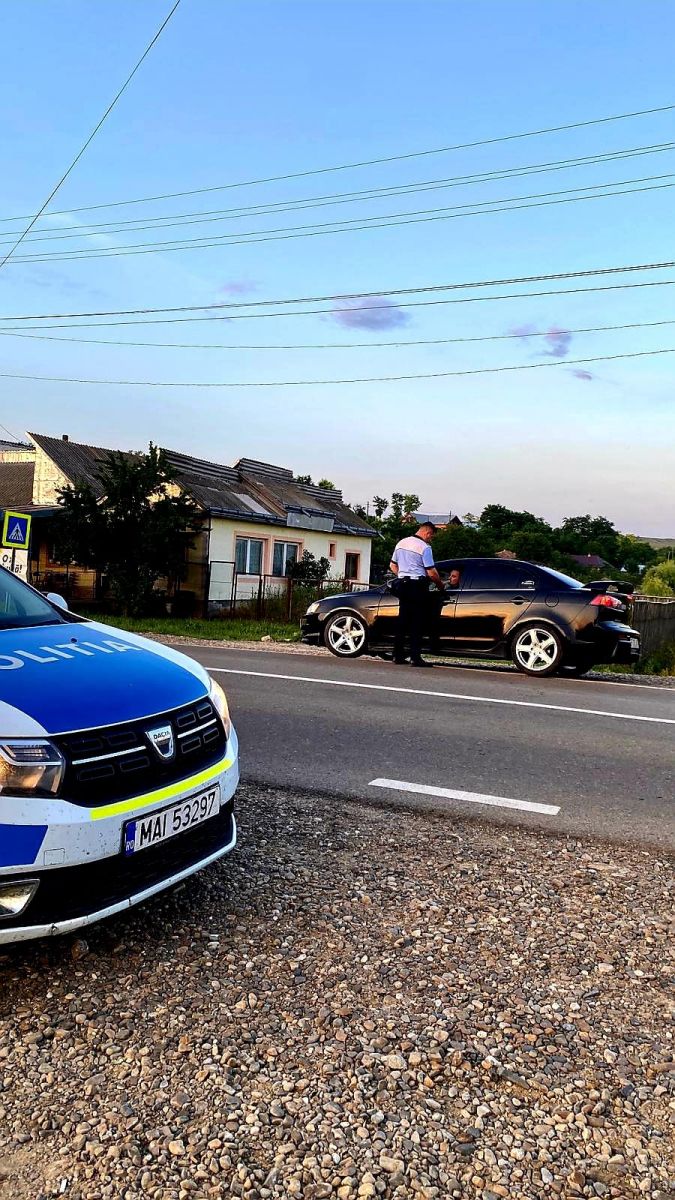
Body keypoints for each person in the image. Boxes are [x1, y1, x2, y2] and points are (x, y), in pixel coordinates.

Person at [389, 522, 446, 667]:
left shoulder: (401, 543)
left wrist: (402, 575)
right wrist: (441, 586)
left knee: (403, 620)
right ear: (428, 533)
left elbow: (392, 565)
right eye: (431, 536)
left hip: (402, 585)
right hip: (417, 586)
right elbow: (431, 572)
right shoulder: (424, 547)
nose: (430, 539)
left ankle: (397, 655)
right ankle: (415, 657)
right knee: (417, 622)